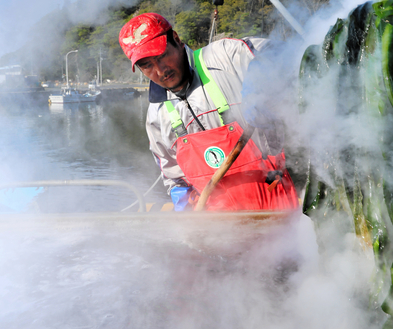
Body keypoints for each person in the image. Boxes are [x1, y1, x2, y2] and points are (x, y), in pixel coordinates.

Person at [118, 13, 299, 211]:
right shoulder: (156, 115)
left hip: (278, 209)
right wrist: (187, 213)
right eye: (147, 65)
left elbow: (289, 52)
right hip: (218, 228)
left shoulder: (224, 56)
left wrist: (263, 71)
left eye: (162, 56)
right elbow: (175, 179)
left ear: (177, 40)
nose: (160, 70)